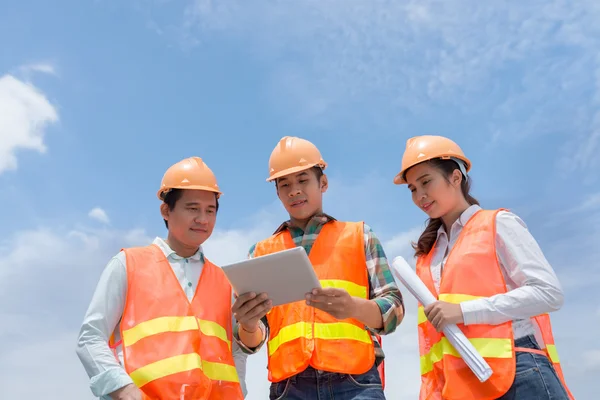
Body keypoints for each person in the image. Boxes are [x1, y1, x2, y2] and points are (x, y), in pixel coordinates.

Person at [393, 135, 575, 400]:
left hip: (519, 372)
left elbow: (548, 293)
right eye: (411, 189)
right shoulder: (427, 256)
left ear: (456, 177)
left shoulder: (498, 224)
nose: (420, 195)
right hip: (462, 385)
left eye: (426, 182)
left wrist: (463, 311)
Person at [231, 136, 405, 400]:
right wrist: (248, 323)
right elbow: (252, 341)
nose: (294, 191)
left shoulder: (360, 236)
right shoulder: (259, 254)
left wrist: (353, 308)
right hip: (290, 387)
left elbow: (394, 310)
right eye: (285, 184)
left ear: (322, 183)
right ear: (277, 192)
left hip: (355, 383)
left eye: (303, 180)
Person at [76, 157, 246, 400]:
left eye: (210, 210)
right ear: (166, 210)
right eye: (192, 208)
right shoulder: (128, 264)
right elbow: (91, 337)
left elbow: (236, 353)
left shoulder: (225, 281)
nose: (203, 219)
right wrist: (124, 391)